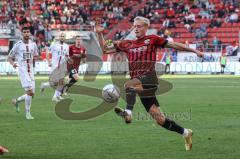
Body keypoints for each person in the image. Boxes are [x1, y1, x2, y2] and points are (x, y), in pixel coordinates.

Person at [96, 16, 203, 151]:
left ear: (146, 27)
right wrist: (99, 33)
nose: (136, 28)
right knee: (160, 119)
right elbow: (105, 49)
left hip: (149, 78)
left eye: (139, 26)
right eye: (134, 26)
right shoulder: (127, 43)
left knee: (128, 85)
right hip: (139, 85)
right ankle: (186, 133)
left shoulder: (152, 39)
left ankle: (128, 112)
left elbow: (174, 45)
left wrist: (195, 51)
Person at [8, 26, 39, 119]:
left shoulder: (33, 44)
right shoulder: (18, 45)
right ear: (22, 34)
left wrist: (33, 58)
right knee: (29, 92)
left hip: (31, 72)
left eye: (27, 32)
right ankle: (27, 113)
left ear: (30, 34)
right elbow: (9, 57)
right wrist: (13, 63)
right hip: (23, 71)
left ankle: (16, 101)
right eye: (24, 32)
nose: (26, 34)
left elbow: (36, 55)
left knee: (32, 94)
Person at [40, 33, 70, 102]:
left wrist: (69, 60)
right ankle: (45, 85)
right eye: (61, 36)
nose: (62, 37)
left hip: (62, 66)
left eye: (63, 36)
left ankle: (55, 96)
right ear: (59, 37)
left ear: (65, 38)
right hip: (55, 66)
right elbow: (47, 51)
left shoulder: (66, 46)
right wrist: (49, 62)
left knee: (62, 81)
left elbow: (66, 56)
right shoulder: (54, 45)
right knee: (55, 82)